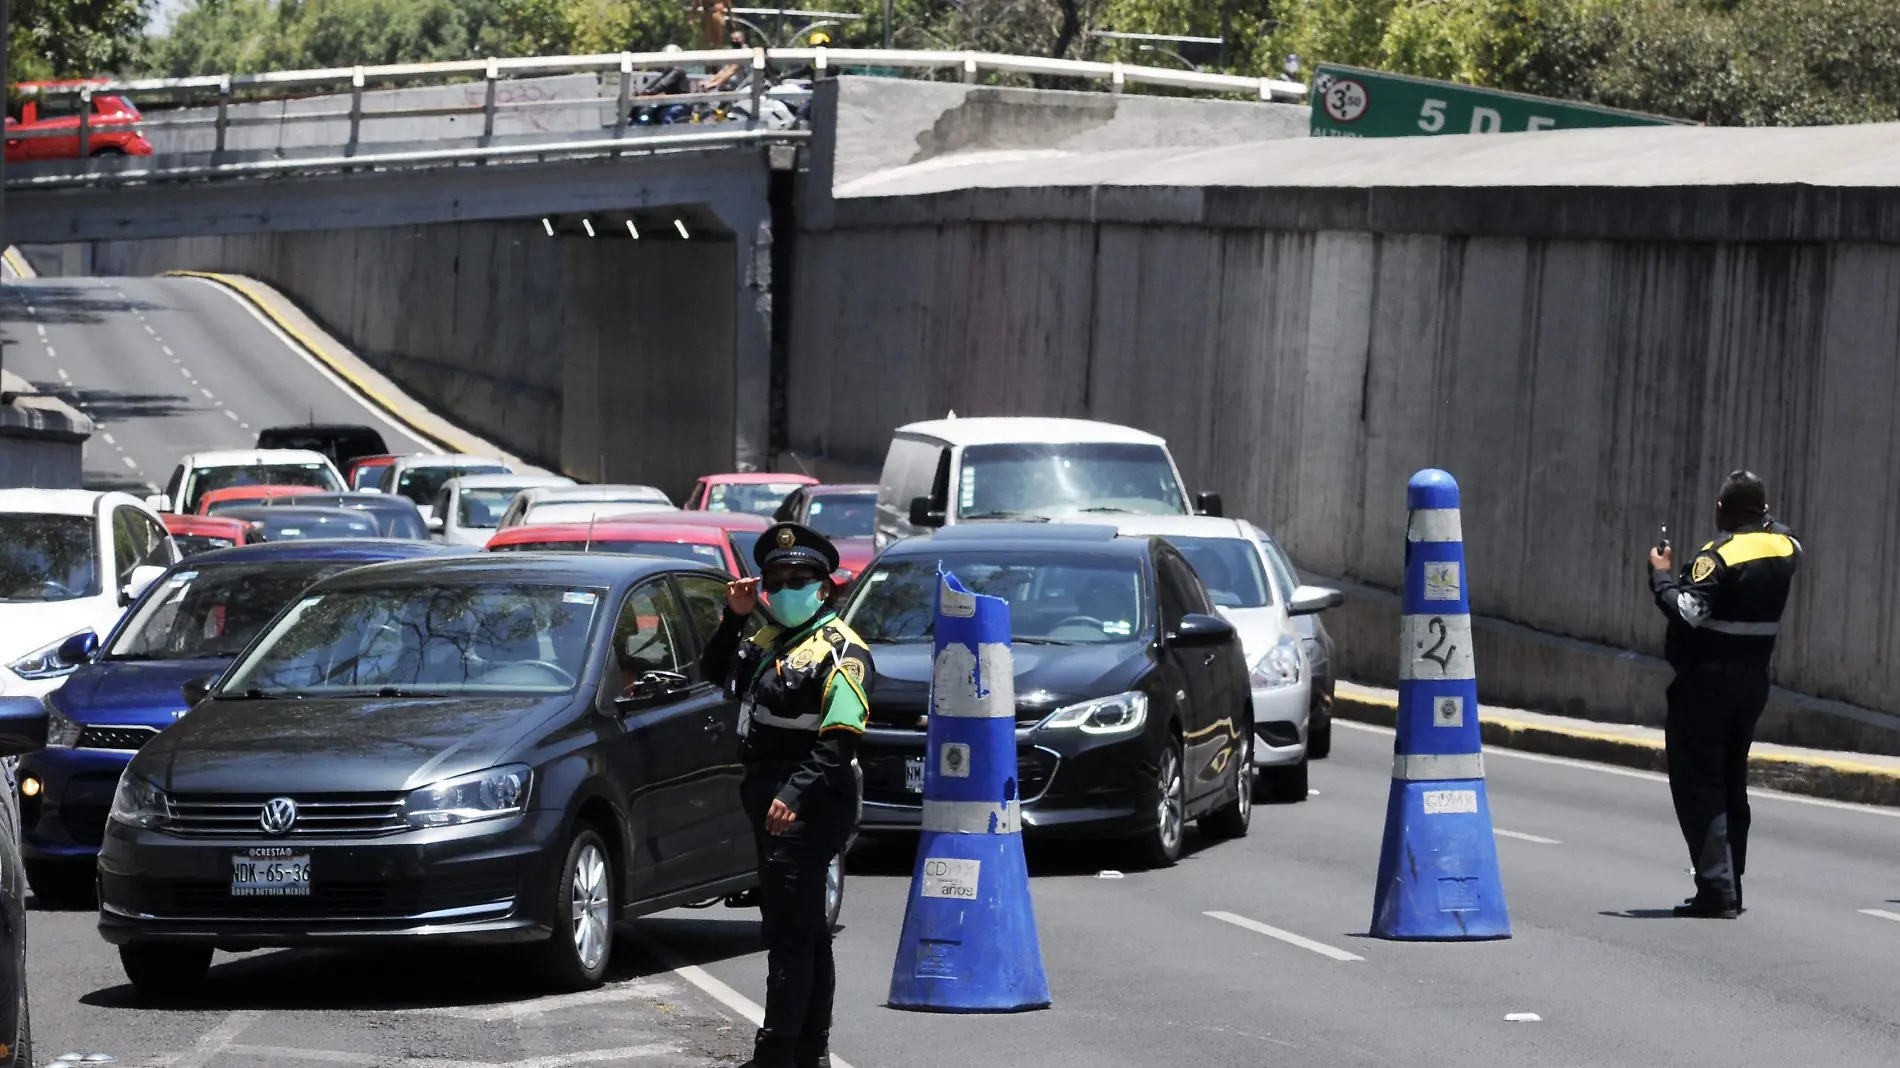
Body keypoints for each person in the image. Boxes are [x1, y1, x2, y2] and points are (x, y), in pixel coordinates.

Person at [700, 522, 872, 1068]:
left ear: (826, 587)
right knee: (806, 930)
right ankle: (809, 1050)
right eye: (777, 579)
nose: (786, 587)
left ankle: (776, 1053)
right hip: (770, 791)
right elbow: (713, 672)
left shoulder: (841, 650)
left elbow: (841, 738)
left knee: (788, 933)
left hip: (810, 796)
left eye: (800, 578)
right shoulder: (768, 637)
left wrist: (793, 794)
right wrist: (734, 615)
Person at [1646, 470, 1801, 918]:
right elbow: (1782, 531)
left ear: (1721, 511)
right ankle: (1731, 882)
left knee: (1701, 784)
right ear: (1765, 511)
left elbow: (1688, 611)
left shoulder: (1718, 557)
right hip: (1752, 684)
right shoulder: (1785, 547)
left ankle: (1716, 890)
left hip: (1707, 686)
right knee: (1732, 781)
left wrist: (1660, 577)